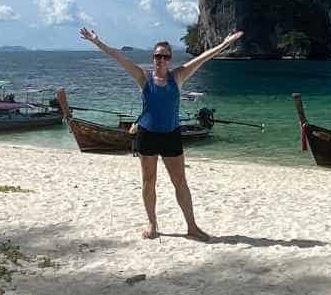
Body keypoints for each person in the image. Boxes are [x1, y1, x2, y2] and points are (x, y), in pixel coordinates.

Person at [79, 27, 244, 241]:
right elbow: (118, 57)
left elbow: (203, 57)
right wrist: (96, 41)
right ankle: (152, 223)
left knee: (180, 182)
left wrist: (225, 44)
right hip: (147, 134)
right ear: (153, 58)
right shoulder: (143, 77)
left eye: (165, 56)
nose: (161, 59)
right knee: (148, 181)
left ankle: (192, 226)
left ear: (170, 59)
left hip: (171, 135)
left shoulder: (178, 76)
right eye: (158, 56)